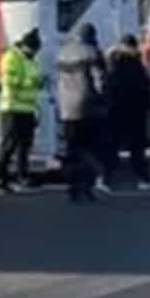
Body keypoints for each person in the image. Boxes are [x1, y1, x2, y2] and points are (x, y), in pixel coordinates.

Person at [55, 22, 109, 202]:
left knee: (73, 150)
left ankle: (72, 188)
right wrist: (104, 100)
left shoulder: (62, 53)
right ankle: (87, 186)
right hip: (88, 107)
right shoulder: (92, 53)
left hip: (66, 107)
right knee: (89, 147)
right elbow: (99, 80)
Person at [105, 34, 150, 191]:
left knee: (112, 148)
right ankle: (144, 179)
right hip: (135, 113)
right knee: (136, 149)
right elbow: (144, 89)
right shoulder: (135, 65)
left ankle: (105, 179)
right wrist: (147, 106)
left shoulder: (113, 63)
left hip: (115, 111)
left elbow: (108, 87)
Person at [0, 28, 43, 194]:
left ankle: (23, 177)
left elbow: (33, 80)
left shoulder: (31, 59)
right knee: (8, 147)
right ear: (24, 46)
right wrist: (31, 82)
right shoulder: (11, 58)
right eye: (33, 49)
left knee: (25, 146)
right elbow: (11, 82)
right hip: (12, 108)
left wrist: (38, 83)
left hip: (28, 108)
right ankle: (2, 180)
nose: (34, 53)